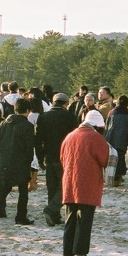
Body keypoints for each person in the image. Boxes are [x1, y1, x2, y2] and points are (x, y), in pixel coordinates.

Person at [60, 108, 112, 256]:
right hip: (88, 183)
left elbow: (62, 158)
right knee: (84, 220)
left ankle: (67, 254)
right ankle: (81, 254)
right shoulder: (96, 138)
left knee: (70, 218)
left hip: (69, 182)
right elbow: (105, 160)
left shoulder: (69, 136)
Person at [35, 92, 78, 226]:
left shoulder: (43, 117)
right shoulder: (70, 117)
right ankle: (51, 210)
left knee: (52, 187)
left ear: (53, 102)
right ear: (66, 103)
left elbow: (38, 140)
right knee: (65, 186)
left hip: (49, 156)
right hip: (65, 157)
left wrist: (40, 158)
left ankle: (54, 216)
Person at [0, 98, 35, 225]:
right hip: (21, 162)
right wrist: (30, 163)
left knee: (5, 187)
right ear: (28, 111)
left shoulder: (4, 123)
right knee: (23, 191)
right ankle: (21, 216)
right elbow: (29, 147)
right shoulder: (28, 126)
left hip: (4, 161)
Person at [105, 95, 128, 186]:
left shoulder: (112, 112)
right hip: (122, 138)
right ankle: (119, 176)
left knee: (112, 157)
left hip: (111, 137)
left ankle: (112, 176)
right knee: (121, 157)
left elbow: (107, 125)